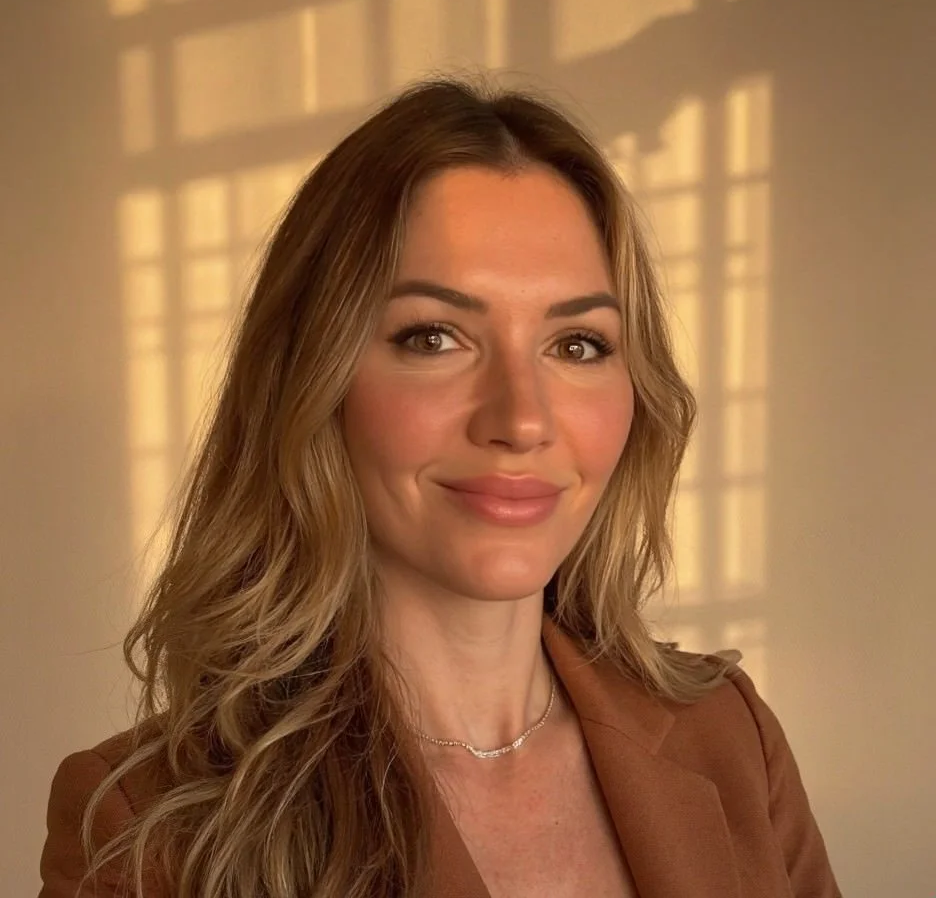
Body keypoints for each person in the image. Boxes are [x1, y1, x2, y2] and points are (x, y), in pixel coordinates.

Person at [38, 76, 841, 898]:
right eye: (434, 337)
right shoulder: (147, 831)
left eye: (577, 345)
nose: (522, 420)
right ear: (313, 381)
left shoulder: (730, 737)